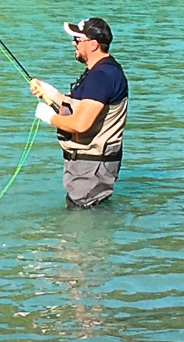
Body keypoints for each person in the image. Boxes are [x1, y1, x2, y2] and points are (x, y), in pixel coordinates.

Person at [29, 16, 126, 208]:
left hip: (91, 168)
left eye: (77, 40)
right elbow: (81, 107)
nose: (73, 44)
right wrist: (52, 94)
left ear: (93, 45)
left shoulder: (101, 77)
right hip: (90, 166)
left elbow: (81, 124)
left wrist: (49, 117)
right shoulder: (101, 72)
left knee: (83, 218)